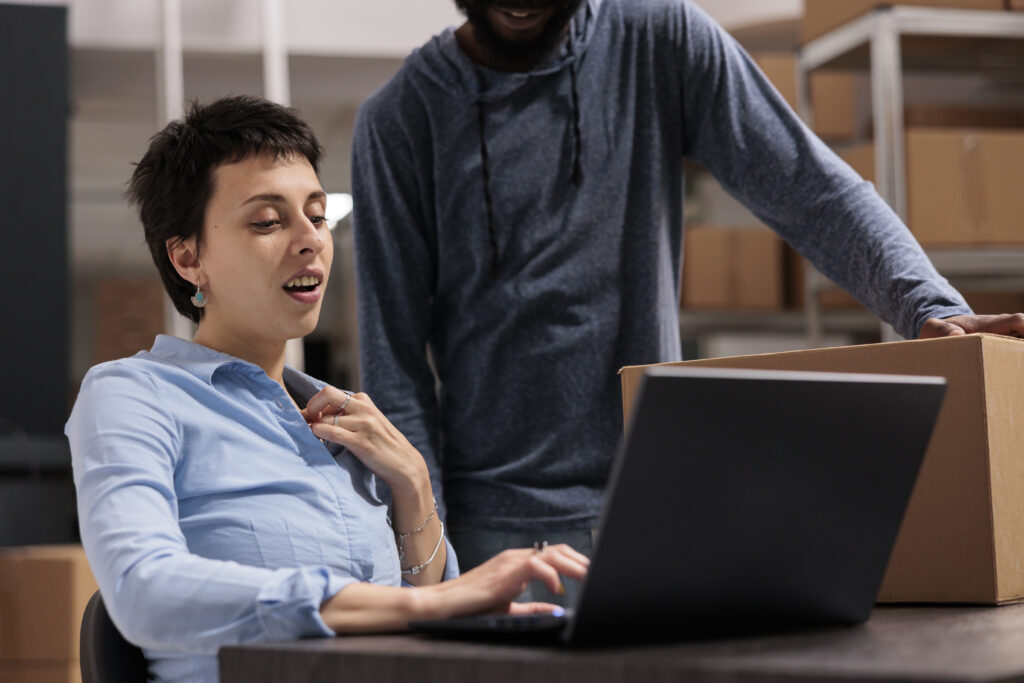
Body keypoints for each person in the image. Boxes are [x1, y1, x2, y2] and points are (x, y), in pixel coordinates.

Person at [350, 0, 1024, 601]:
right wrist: (429, 569)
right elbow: (393, 364)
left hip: (658, 500)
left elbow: (810, 188)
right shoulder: (400, 120)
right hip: (491, 528)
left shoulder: (661, 40)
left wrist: (926, 304)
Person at [65, 95, 588, 683]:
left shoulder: (345, 420)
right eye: (268, 221)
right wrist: (425, 605)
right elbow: (144, 590)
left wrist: (413, 485)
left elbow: (433, 621)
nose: (310, 238)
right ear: (189, 258)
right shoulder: (133, 394)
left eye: (317, 214)